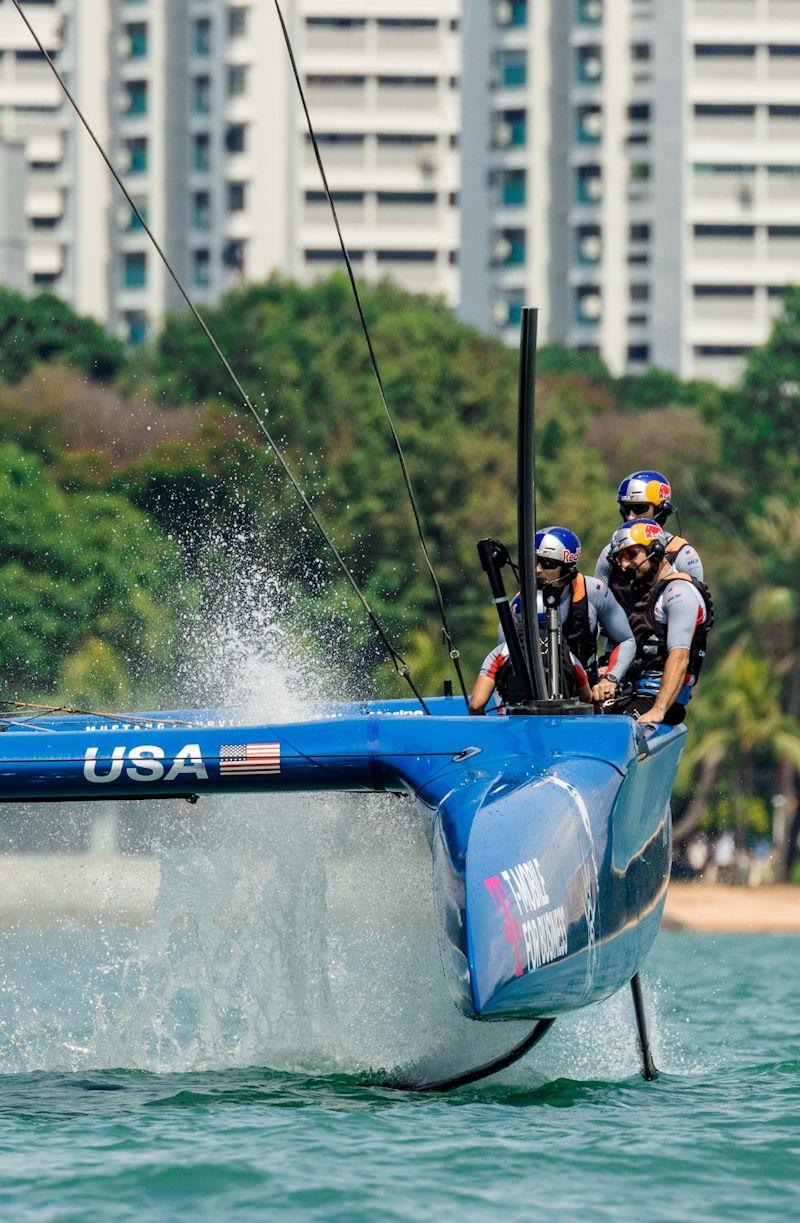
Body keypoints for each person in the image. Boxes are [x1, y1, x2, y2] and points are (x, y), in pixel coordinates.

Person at [503, 526, 636, 703]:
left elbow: (626, 640)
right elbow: (503, 659)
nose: (537, 570)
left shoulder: (594, 592)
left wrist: (610, 679)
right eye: (532, 561)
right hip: (535, 700)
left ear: (568, 569)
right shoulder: (519, 605)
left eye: (547, 564)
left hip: (586, 694)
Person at [606, 518, 713, 725]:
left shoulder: (678, 591)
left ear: (655, 549)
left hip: (656, 700)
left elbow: (680, 655)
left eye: (630, 554)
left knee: (607, 731)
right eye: (620, 559)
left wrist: (658, 710)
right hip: (634, 692)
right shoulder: (652, 593)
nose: (625, 564)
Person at [470, 606, 593, 714]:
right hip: (557, 728)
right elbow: (586, 697)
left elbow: (476, 705)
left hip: (513, 730)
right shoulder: (566, 652)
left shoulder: (502, 652)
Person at [595, 470, 704, 584]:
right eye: (626, 509)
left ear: (662, 510)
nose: (631, 517)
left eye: (639, 508)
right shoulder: (610, 553)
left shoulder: (682, 554)